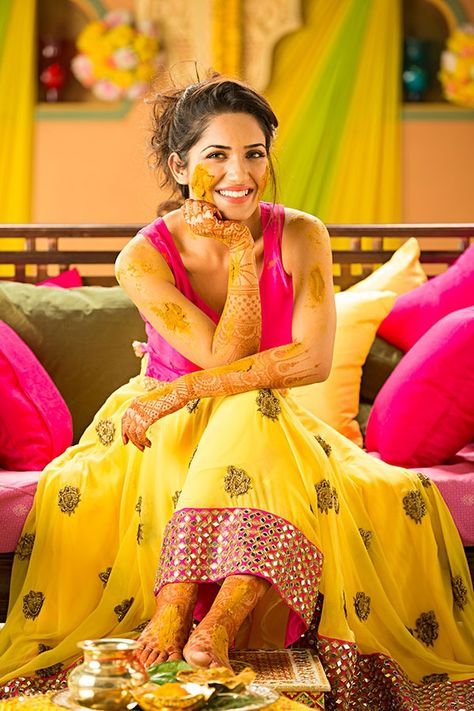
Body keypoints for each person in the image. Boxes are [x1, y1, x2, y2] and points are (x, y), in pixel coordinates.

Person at [0, 75, 473, 710]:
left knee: (256, 406)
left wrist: (243, 260)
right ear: (180, 165)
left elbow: (311, 360)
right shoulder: (142, 258)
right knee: (251, 397)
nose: (240, 174)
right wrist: (240, 260)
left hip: (264, 422)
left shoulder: (303, 234)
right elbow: (233, 357)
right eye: (215, 157)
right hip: (164, 429)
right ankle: (194, 620)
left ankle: (199, 624)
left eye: (253, 153)